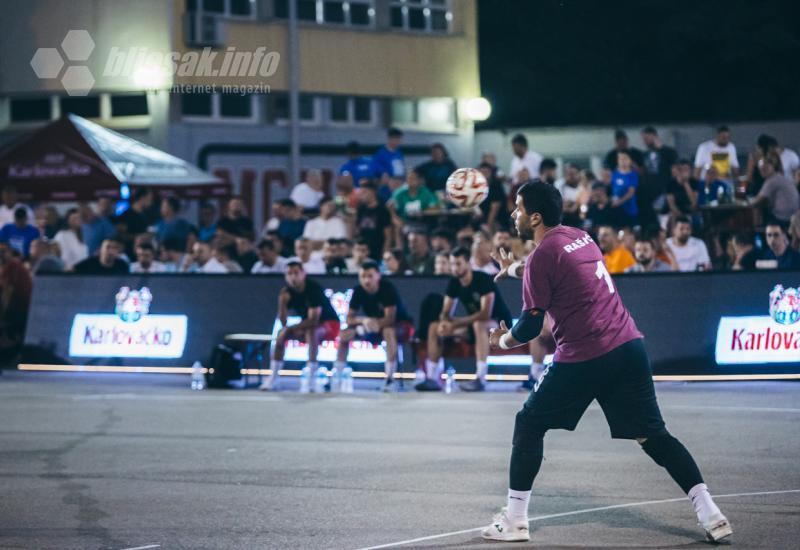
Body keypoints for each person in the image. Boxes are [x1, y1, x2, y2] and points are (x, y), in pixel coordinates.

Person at [482, 180, 731, 544]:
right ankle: (711, 512)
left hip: (585, 356)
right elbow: (551, 268)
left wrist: (501, 341)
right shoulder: (580, 237)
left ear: (534, 217)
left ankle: (515, 521)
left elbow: (531, 326)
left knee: (529, 423)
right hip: (629, 347)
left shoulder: (540, 258)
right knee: (654, 436)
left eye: (517, 207)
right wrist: (516, 269)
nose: (512, 213)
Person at [417, 247, 513, 392]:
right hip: (472, 327)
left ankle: (480, 378)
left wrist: (455, 323)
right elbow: (446, 312)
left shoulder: (483, 279)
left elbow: (485, 314)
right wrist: (445, 323)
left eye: (458, 264)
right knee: (434, 327)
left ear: (468, 263)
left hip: (499, 325)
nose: (455, 268)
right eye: (453, 264)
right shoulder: (454, 282)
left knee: (479, 324)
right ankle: (432, 378)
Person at [334, 260, 414, 392]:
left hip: (401, 326)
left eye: (370, 276)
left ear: (378, 276)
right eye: (363, 277)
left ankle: (389, 379)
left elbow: (390, 319)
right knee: (344, 334)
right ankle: (337, 376)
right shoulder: (358, 291)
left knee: (388, 331)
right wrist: (364, 321)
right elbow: (349, 318)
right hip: (373, 326)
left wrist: (368, 326)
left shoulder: (387, 288)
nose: (366, 280)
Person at [260, 261, 340, 392]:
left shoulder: (313, 288)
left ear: (304, 273)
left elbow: (314, 320)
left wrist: (293, 328)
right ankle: (273, 377)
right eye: (289, 274)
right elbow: (283, 322)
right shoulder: (286, 292)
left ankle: (311, 378)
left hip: (330, 324)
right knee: (281, 334)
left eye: (296, 273)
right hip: (306, 325)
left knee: (311, 332)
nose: (293, 277)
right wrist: (282, 304)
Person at [640, 126, 678, 228]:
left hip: (664, 191)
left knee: (664, 221)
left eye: (647, 138)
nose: (645, 141)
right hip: (649, 194)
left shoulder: (668, 152)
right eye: (644, 139)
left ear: (654, 136)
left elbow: (674, 172)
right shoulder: (645, 154)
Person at [750, 152, 800, 226]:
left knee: (757, 211)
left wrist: (744, 203)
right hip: (794, 216)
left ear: (772, 166)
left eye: (765, 168)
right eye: (761, 169)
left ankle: (757, 234)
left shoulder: (772, 180)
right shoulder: (779, 177)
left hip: (784, 218)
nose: (763, 171)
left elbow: (757, 201)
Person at [356, 182, 392, 260]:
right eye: (361, 192)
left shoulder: (382, 210)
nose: (361, 195)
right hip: (363, 250)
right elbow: (358, 229)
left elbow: (388, 235)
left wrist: (385, 251)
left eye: (364, 192)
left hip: (377, 249)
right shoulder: (361, 209)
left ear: (372, 192)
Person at [477, 162, 509, 231]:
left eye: (486, 172)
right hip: (483, 219)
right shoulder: (478, 187)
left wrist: (488, 227)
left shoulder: (496, 186)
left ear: (491, 173)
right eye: (482, 172)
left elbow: (494, 210)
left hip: (498, 221)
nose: (484, 175)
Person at [610, 151, 639, 227]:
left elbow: (631, 192)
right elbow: (613, 190)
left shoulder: (632, 175)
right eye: (620, 159)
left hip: (629, 208)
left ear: (630, 160)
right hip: (617, 209)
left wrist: (619, 202)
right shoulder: (615, 174)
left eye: (625, 158)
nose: (623, 161)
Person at [554, 163, 582, 227]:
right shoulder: (558, 185)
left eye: (573, 174)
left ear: (579, 174)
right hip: (562, 218)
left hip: (578, 217)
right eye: (568, 174)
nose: (571, 176)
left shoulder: (583, 186)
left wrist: (576, 204)